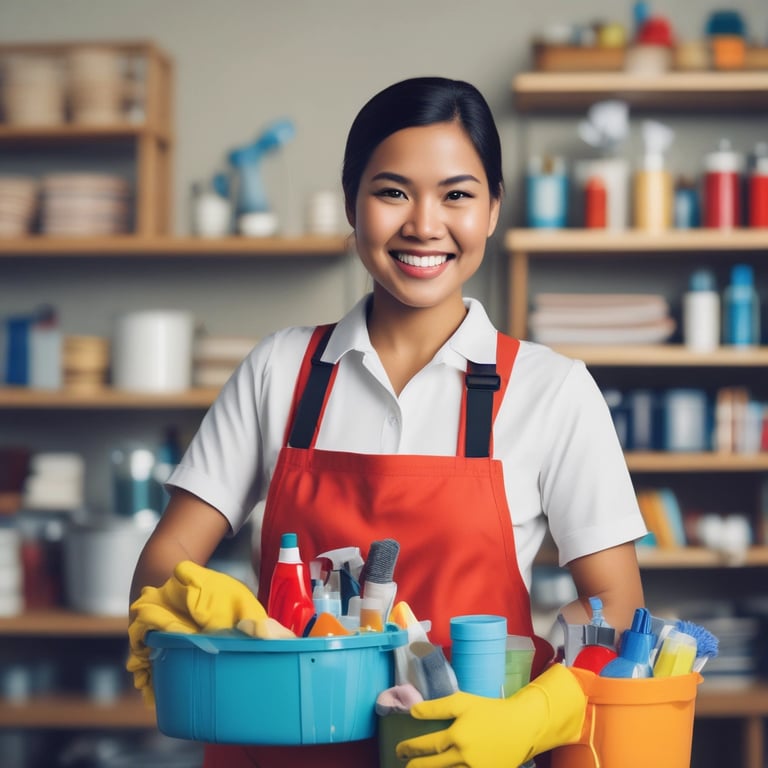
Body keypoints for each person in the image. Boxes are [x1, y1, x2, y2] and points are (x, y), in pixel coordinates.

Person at [128, 76, 647, 768]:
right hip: (280, 750)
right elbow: (164, 563)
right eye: (392, 192)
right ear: (353, 205)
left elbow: (615, 605)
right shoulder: (279, 370)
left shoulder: (552, 391)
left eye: (457, 195)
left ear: (493, 209)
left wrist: (532, 713)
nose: (424, 225)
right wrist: (219, 610)